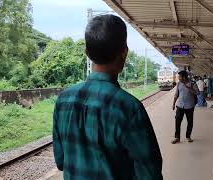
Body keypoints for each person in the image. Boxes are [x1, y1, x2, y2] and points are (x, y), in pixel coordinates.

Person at [52, 15, 163, 180]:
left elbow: (61, 161)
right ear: (124, 52)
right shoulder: (129, 108)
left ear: (87, 53)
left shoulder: (63, 100)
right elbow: (149, 173)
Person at [171, 70, 198, 143]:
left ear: (184, 77)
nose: (178, 78)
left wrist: (189, 88)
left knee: (190, 122)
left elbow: (197, 93)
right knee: (177, 122)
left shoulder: (192, 84)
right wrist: (173, 104)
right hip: (180, 105)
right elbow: (176, 94)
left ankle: (188, 136)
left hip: (189, 106)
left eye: (179, 77)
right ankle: (177, 138)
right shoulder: (179, 84)